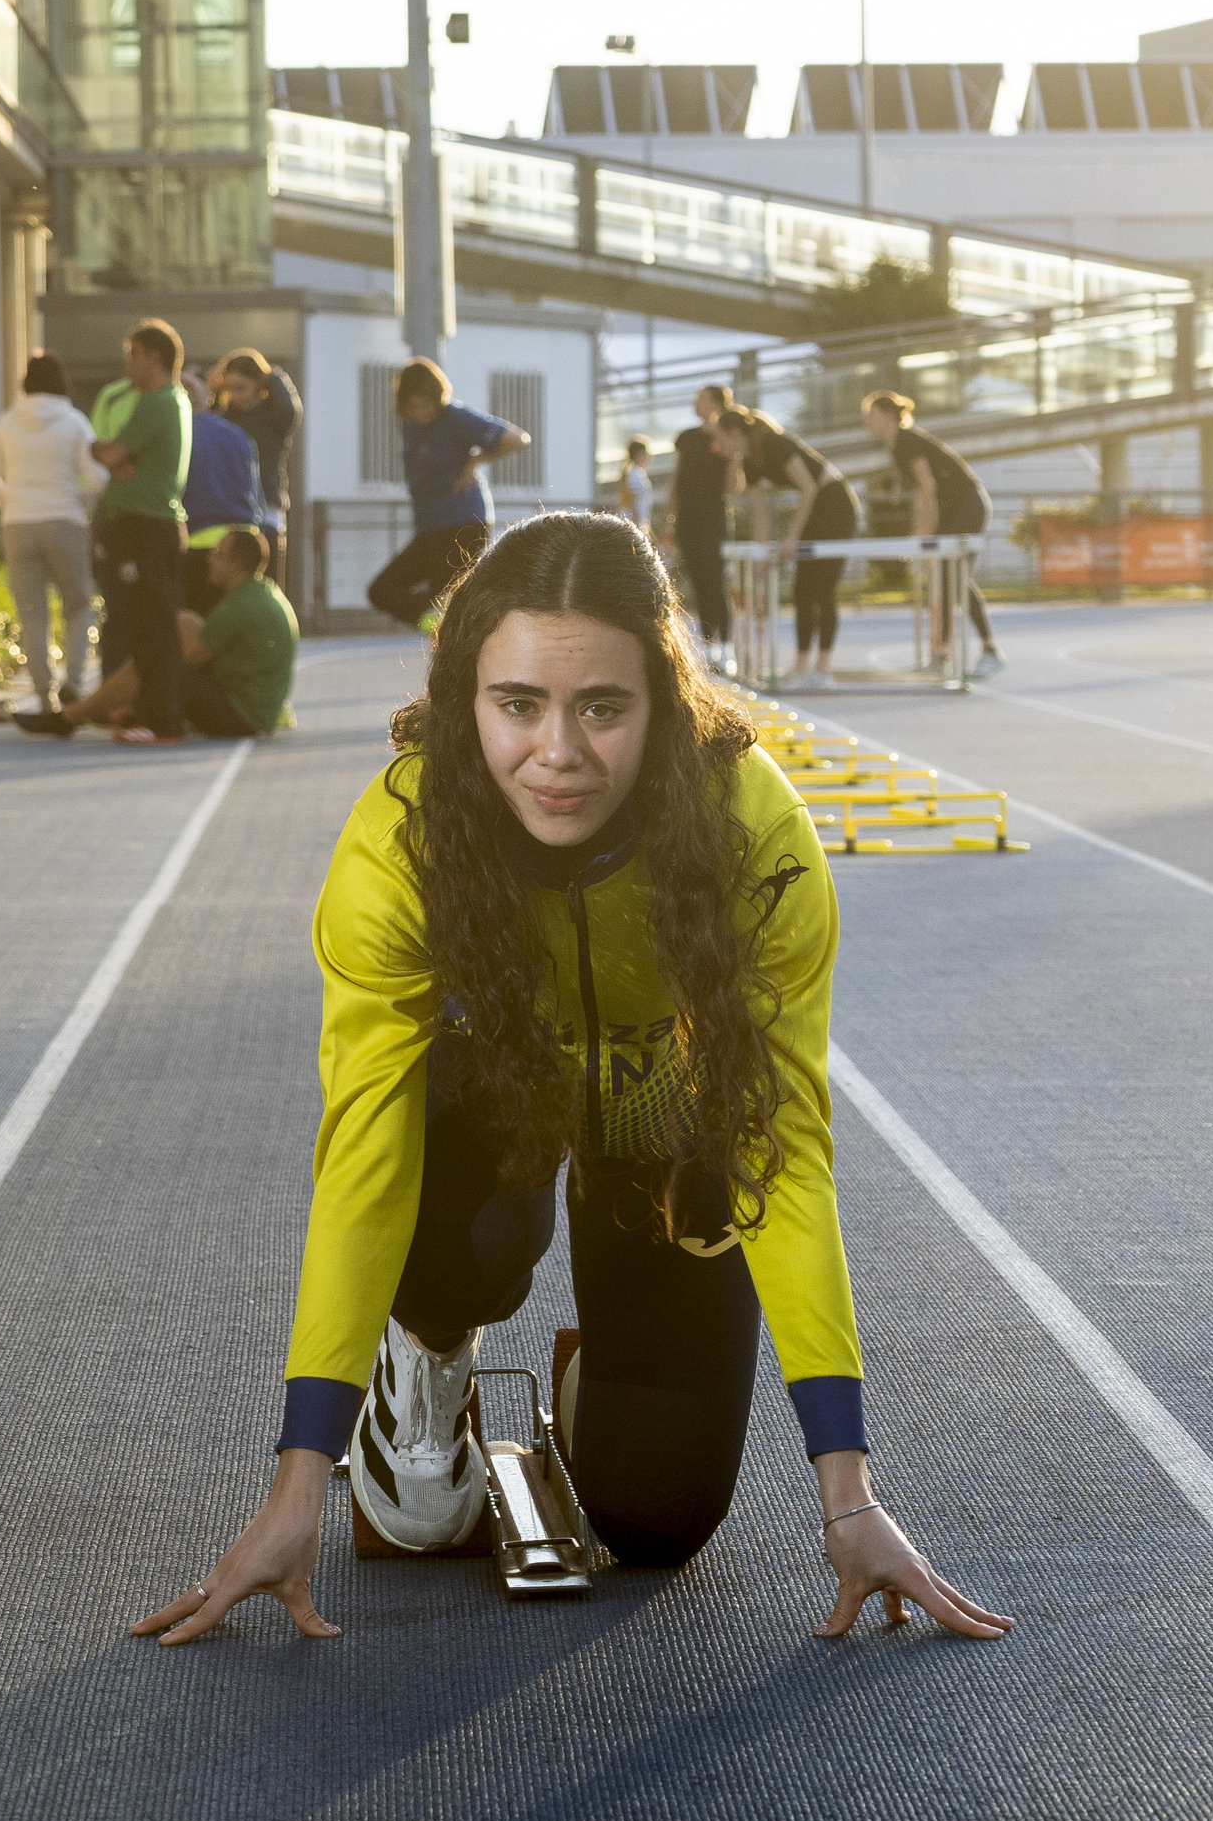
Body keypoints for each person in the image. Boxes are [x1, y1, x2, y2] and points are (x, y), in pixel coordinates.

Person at [133, 512, 1008, 1648]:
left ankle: (614, 1345)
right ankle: (432, 1337)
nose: (559, 751)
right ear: (466, 702)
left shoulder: (756, 834)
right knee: (444, 1166)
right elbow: (363, 1147)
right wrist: (303, 1479)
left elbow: (780, 1146)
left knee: (656, 1519)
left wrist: (849, 1493)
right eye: (518, 706)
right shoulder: (400, 843)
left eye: (603, 706)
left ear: (665, 699)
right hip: (493, 1098)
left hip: (659, 1123)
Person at [17, 526, 297, 741]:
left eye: (218, 554)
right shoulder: (263, 593)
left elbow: (181, 665)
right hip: (256, 709)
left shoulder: (239, 607)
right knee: (181, 624)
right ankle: (89, 712)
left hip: (241, 718)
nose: (209, 560)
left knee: (156, 661)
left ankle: (75, 716)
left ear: (236, 565)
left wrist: (136, 695)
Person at [0, 352, 106, 711]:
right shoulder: (75, 421)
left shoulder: (7, 423)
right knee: (77, 605)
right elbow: (99, 476)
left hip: (17, 524)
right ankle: (73, 684)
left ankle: (44, 693)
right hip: (64, 520)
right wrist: (76, 501)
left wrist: (11, 501)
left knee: (32, 611)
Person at [89, 319, 195, 745]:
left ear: (154, 356)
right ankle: (152, 709)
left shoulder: (156, 403)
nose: (127, 364)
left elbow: (111, 450)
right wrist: (113, 459)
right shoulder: (176, 400)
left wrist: (102, 452)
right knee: (145, 624)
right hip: (148, 526)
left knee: (152, 627)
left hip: (144, 527)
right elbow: (117, 456)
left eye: (132, 354)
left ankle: (163, 720)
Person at [368, 359, 528, 630]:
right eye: (414, 406)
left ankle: (452, 635)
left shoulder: (455, 417)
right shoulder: (410, 425)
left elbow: (517, 439)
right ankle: (438, 626)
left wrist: (476, 460)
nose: (421, 412)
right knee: (382, 590)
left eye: (426, 405)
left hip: (463, 522)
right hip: (430, 528)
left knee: (449, 601)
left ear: (438, 399)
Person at [861, 390, 1002, 678]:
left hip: (968, 505)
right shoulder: (897, 445)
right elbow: (923, 493)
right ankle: (941, 655)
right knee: (943, 580)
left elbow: (928, 486)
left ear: (888, 416)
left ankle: (990, 650)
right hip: (951, 510)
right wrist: (923, 529)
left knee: (956, 579)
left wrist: (924, 533)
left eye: (872, 414)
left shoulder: (907, 440)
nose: (866, 421)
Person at [716, 408, 857, 683]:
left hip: (836, 504)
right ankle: (802, 667)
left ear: (734, 433)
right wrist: (761, 553)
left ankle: (821, 668)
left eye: (720, 437)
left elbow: (809, 487)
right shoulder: (749, 460)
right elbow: (760, 512)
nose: (717, 445)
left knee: (822, 588)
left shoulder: (774, 443)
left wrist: (792, 536)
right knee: (802, 590)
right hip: (816, 510)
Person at [180, 370, 266, 609]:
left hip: (199, 545)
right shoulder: (238, 435)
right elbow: (255, 492)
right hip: (244, 542)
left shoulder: (178, 434)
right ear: (206, 399)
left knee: (200, 628)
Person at [671, 385, 737, 672]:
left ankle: (727, 645)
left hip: (714, 515)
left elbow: (734, 487)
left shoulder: (726, 438)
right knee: (698, 581)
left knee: (715, 579)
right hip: (687, 516)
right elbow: (676, 479)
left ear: (716, 404)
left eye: (700, 398)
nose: (695, 402)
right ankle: (709, 645)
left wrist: (734, 458)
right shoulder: (687, 438)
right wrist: (669, 520)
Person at [214, 349, 302, 541]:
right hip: (231, 508)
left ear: (259, 383)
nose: (235, 395)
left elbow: (289, 409)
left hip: (268, 505)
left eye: (241, 387)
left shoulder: (274, 417)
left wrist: (274, 376)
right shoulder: (225, 418)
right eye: (229, 389)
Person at [614, 437, 654, 538]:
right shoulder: (634, 473)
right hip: (633, 521)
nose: (648, 456)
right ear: (639, 454)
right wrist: (638, 524)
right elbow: (633, 500)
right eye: (646, 452)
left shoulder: (638, 472)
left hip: (637, 521)